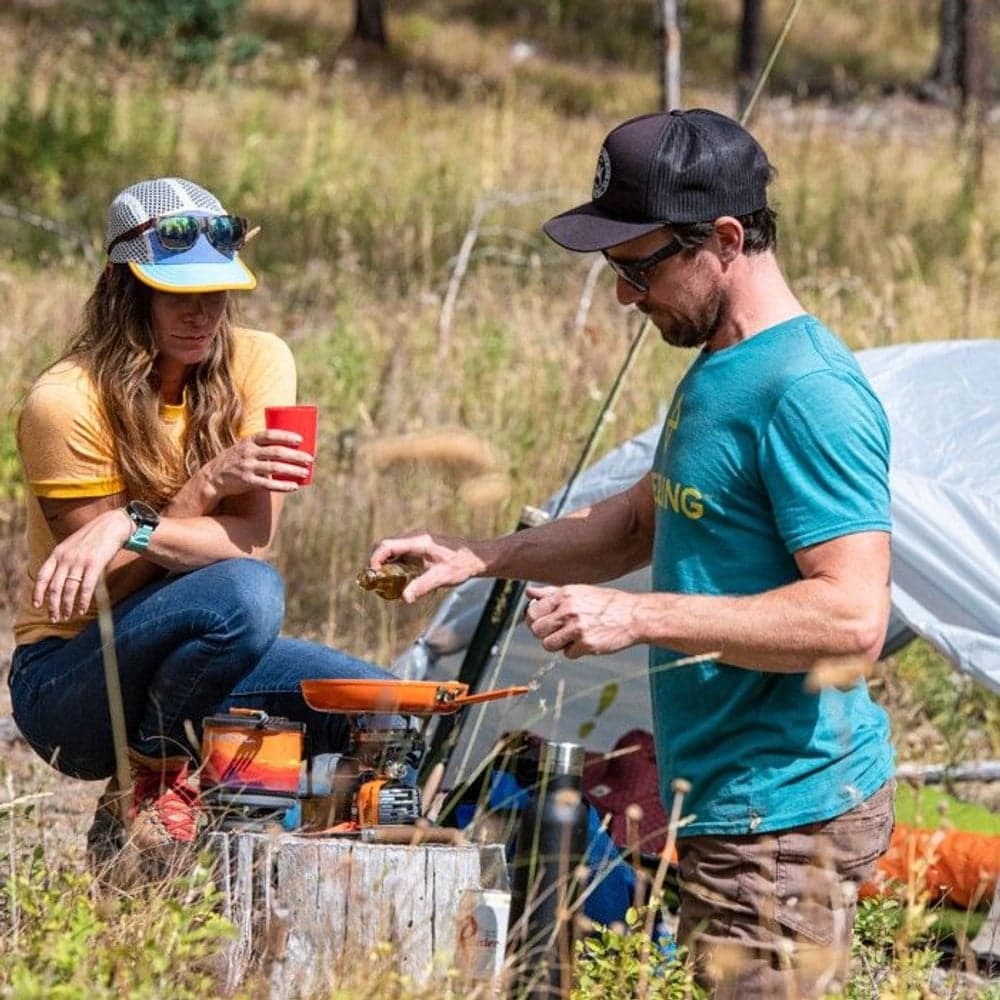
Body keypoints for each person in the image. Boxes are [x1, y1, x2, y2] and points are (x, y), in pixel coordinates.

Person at [369, 110, 895, 998]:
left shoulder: (806, 391)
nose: (622, 294)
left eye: (638, 266)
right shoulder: (722, 367)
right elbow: (637, 526)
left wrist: (635, 614)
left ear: (725, 239)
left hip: (783, 815)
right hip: (729, 803)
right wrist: (481, 555)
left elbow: (852, 617)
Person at [9, 177, 394, 870]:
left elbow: (251, 538)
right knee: (248, 595)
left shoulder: (262, 360)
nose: (203, 315)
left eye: (217, 293)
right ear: (125, 290)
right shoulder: (63, 402)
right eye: (178, 296)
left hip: (200, 647)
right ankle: (152, 775)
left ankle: (260, 864)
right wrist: (199, 489)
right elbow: (103, 592)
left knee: (379, 709)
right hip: (72, 680)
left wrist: (132, 526)